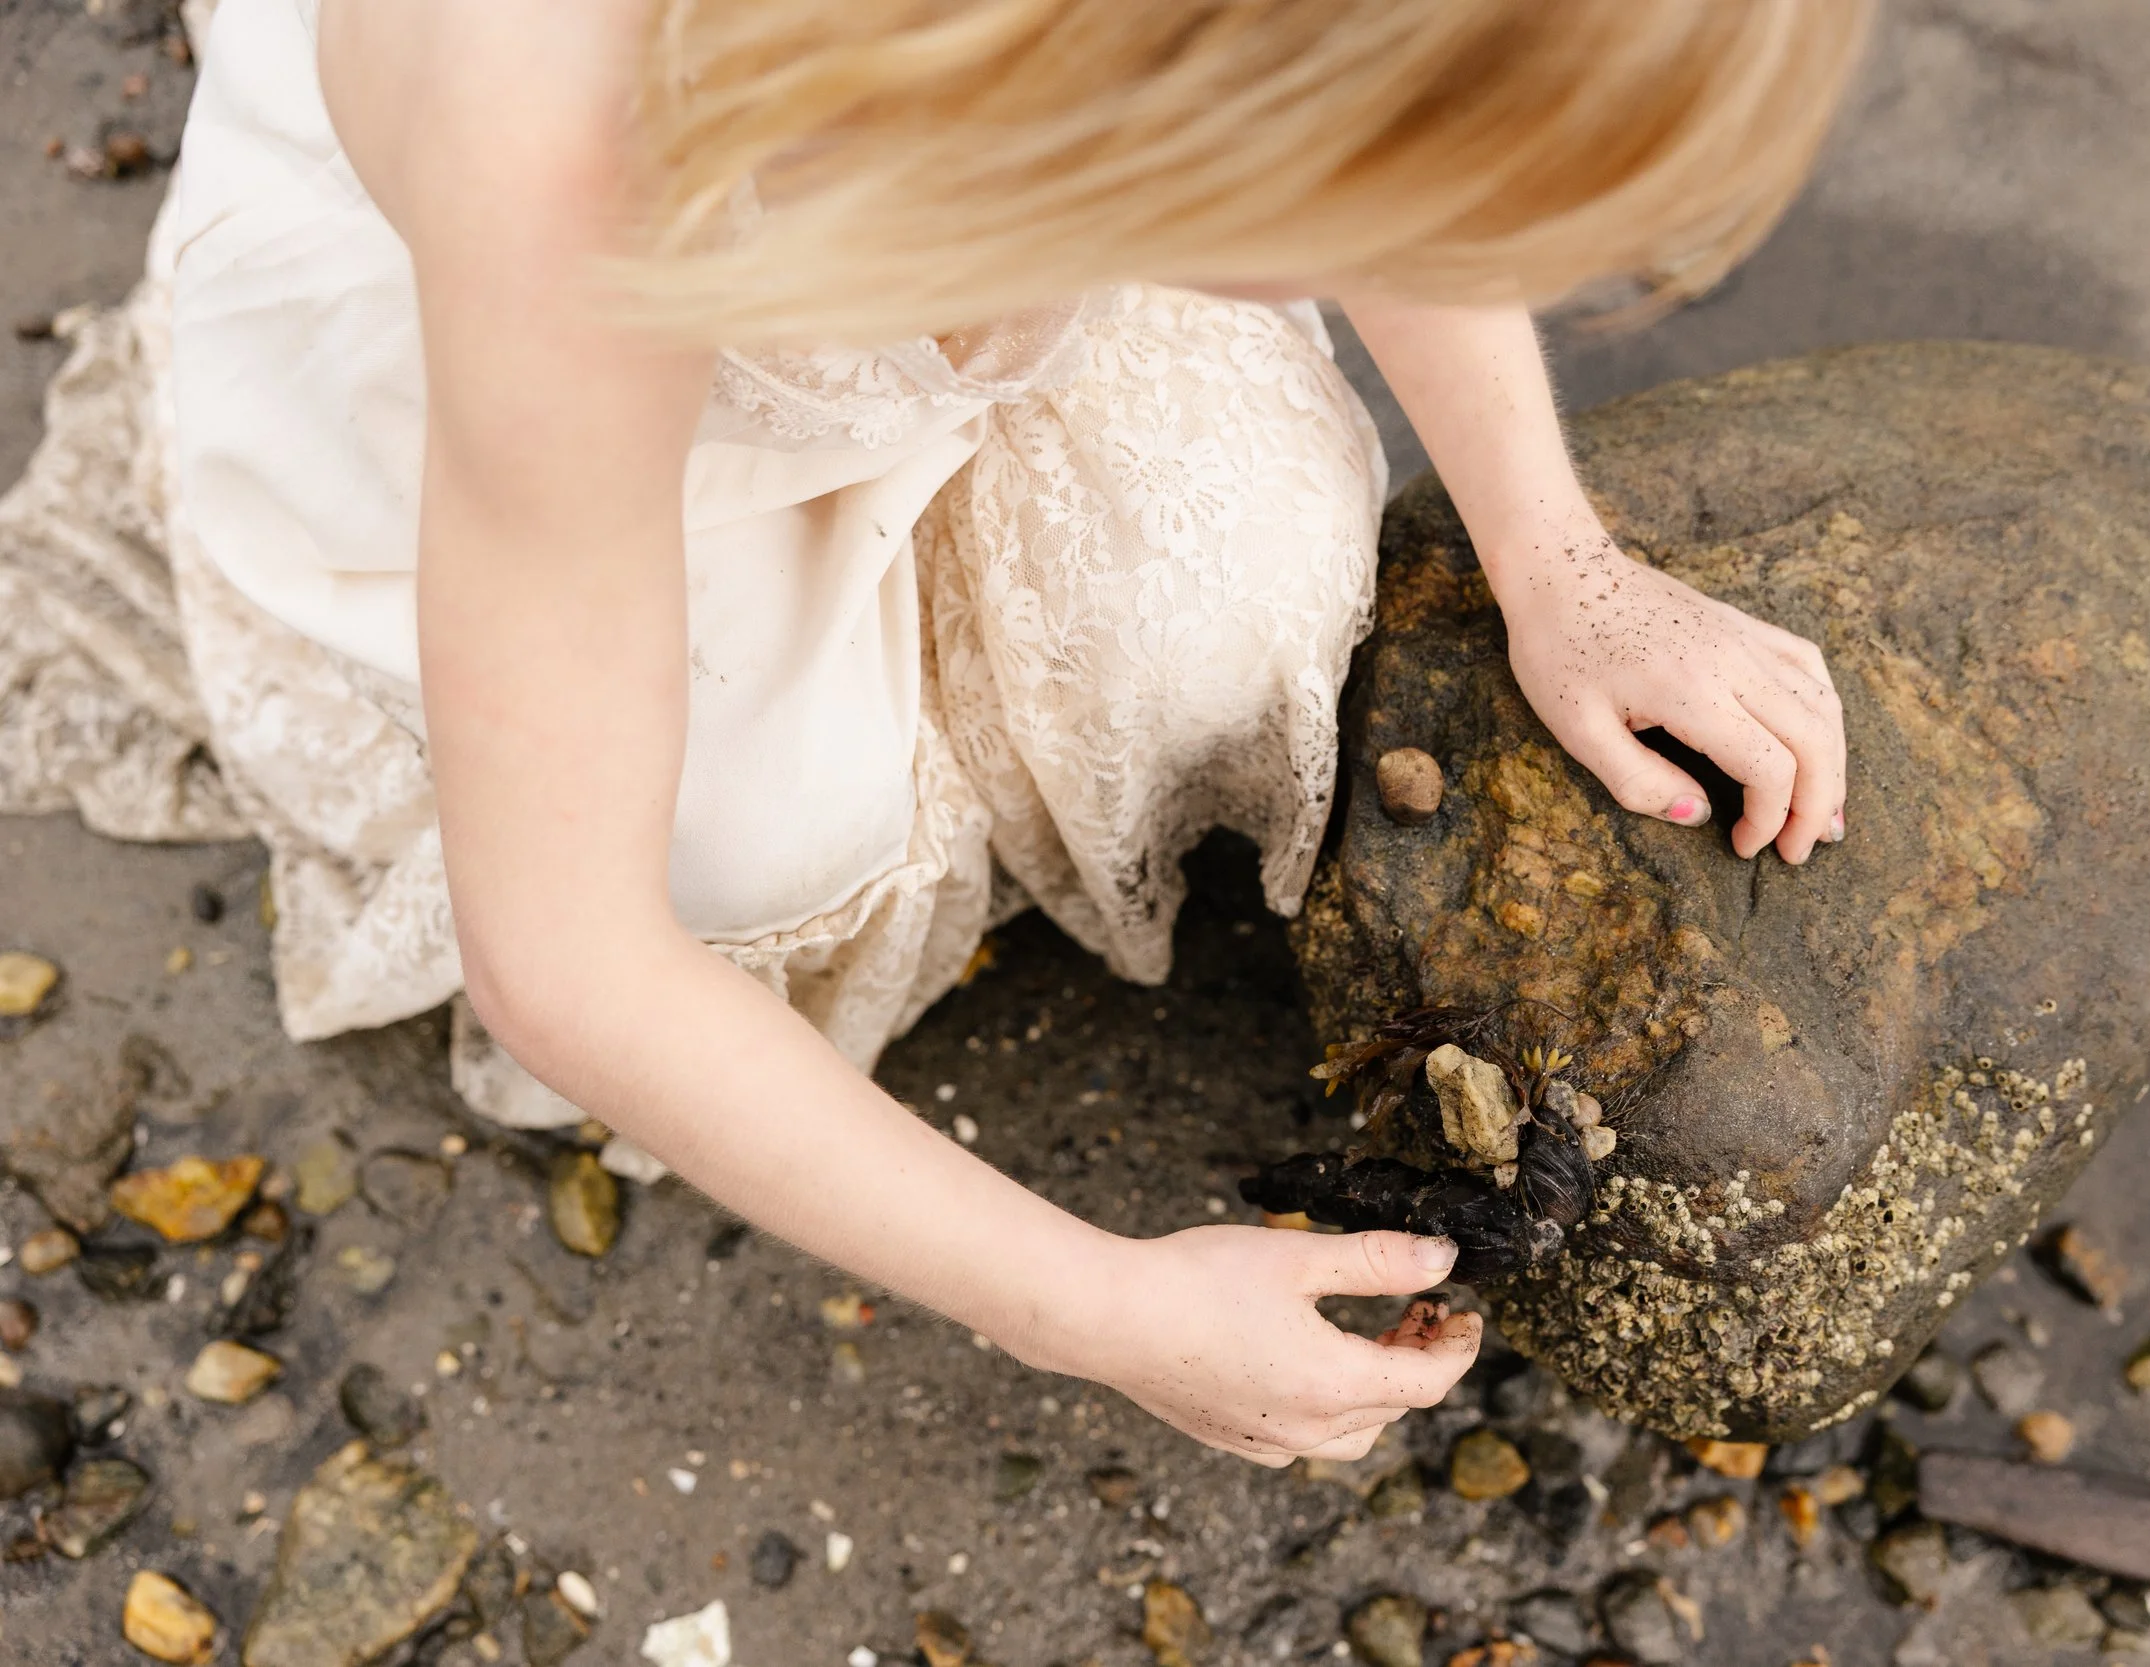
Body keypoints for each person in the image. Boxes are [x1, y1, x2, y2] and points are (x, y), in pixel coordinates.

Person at [0, 0, 1864, 1464]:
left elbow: (1416, 93)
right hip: (528, 387)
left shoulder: (1175, 60)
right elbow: (565, 951)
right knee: (740, 846)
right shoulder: (576, 126)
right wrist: (1088, 1303)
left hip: (959, 173)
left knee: (1246, 577)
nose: (1440, 251)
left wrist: (1561, 566)